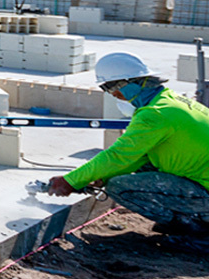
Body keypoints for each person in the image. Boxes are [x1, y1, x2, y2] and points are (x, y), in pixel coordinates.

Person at [48, 52, 209, 235]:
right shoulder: (170, 101)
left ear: (129, 83)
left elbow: (117, 155)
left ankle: (196, 231)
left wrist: (70, 181)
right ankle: (189, 221)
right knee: (144, 168)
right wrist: (104, 175)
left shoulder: (155, 114)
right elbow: (140, 156)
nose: (113, 94)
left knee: (119, 187)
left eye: (110, 87)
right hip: (202, 179)